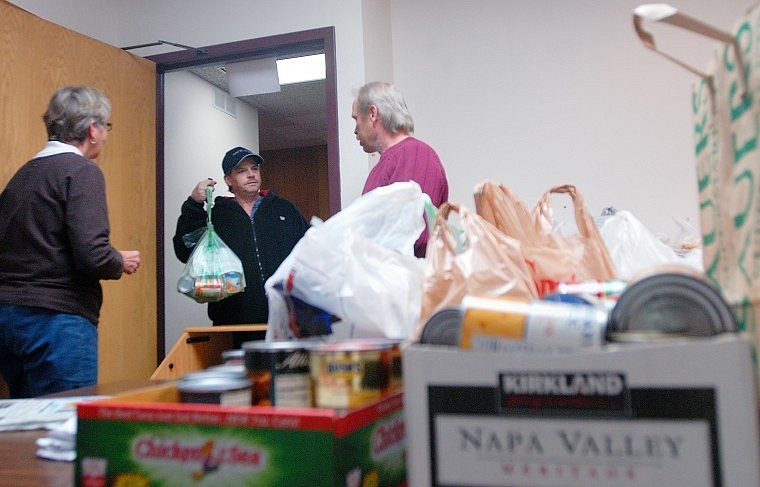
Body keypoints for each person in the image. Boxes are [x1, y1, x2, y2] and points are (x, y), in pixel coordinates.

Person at [0, 86, 141, 398]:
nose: (105, 135)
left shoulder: (21, 177)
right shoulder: (81, 171)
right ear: (93, 129)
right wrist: (120, 260)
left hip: (8, 319)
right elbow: (92, 255)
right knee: (67, 424)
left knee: (27, 426)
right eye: (106, 126)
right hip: (57, 321)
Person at [173, 147, 309, 343]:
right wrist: (194, 204)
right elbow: (185, 249)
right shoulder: (217, 215)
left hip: (285, 321)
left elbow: (308, 253)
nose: (251, 174)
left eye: (254, 168)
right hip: (232, 326)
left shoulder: (284, 209)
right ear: (228, 179)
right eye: (242, 171)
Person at [352, 81, 449, 258]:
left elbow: (414, 237)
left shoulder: (415, 155)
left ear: (372, 114)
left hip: (408, 282)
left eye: (356, 118)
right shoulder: (383, 166)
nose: (355, 130)